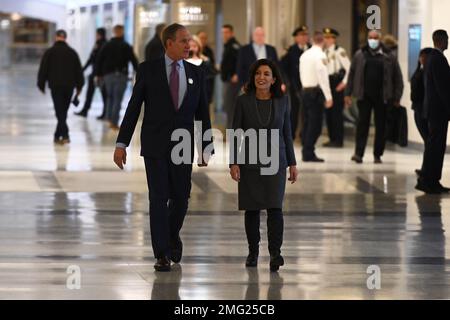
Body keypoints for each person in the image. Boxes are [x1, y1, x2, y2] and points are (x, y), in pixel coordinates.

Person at [113, 23, 214, 272]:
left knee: (181, 198)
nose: (189, 45)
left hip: (183, 144)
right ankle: (161, 253)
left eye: (189, 41)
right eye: (183, 41)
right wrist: (121, 143)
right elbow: (134, 107)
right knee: (158, 198)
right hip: (155, 144)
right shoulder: (148, 70)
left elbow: (202, 112)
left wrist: (205, 146)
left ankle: (171, 236)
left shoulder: (196, 72)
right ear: (168, 43)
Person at [229, 59, 298, 272]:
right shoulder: (243, 101)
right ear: (253, 77)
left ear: (274, 79)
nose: (262, 77)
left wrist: (292, 163)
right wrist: (233, 162)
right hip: (250, 161)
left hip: (276, 162)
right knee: (252, 208)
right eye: (258, 73)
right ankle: (253, 252)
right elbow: (236, 133)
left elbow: (287, 134)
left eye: (266, 74)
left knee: (275, 207)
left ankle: (276, 253)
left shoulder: (283, 101)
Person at [345, 30, 403, 164]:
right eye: (370, 37)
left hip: (383, 97)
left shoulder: (389, 55)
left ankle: (378, 154)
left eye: (375, 38)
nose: (372, 40)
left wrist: (397, 97)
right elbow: (352, 74)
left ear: (380, 39)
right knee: (362, 125)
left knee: (381, 126)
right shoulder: (360, 54)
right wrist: (347, 93)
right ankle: (358, 154)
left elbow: (397, 77)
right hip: (364, 96)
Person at [416, 30, 450, 194]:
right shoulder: (439, 60)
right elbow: (443, 88)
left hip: (432, 110)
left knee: (433, 146)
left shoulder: (431, 59)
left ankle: (427, 179)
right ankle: (430, 180)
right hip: (438, 112)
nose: (448, 43)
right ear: (442, 41)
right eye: (447, 40)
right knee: (436, 147)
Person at [37, 29, 84, 144]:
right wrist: (79, 86)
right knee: (63, 111)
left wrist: (41, 84)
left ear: (56, 37)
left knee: (59, 110)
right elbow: (78, 70)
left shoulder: (50, 52)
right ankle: (60, 135)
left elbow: (43, 69)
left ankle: (62, 135)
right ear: (65, 38)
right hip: (69, 86)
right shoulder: (72, 52)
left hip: (55, 85)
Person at [95, 25, 138, 130]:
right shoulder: (126, 46)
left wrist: (98, 74)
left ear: (114, 32)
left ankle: (109, 118)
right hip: (121, 75)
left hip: (108, 75)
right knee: (117, 99)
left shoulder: (107, 45)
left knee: (109, 97)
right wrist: (140, 72)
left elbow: (99, 60)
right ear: (122, 32)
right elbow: (133, 60)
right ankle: (114, 122)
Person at [299, 31, 333, 162]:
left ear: (313, 40)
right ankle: (308, 152)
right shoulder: (320, 55)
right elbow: (323, 77)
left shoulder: (304, 55)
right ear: (323, 41)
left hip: (305, 91)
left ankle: (306, 151)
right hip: (315, 93)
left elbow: (301, 73)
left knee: (307, 123)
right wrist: (329, 96)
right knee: (315, 125)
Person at [281, 26, 311, 140]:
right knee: (294, 111)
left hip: (309, 85)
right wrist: (286, 82)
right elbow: (284, 68)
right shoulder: (291, 51)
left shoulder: (311, 49)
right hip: (295, 85)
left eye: (305, 35)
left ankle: (305, 135)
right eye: (301, 35)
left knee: (307, 112)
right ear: (296, 38)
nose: (304, 38)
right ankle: (291, 134)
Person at [323, 28, 351, 148]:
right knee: (328, 112)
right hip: (327, 82)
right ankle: (332, 138)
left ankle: (338, 139)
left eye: (330, 38)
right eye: (326, 37)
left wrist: (344, 83)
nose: (328, 40)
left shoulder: (340, 51)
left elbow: (349, 69)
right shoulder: (323, 52)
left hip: (336, 82)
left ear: (334, 39)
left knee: (336, 113)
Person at [75, 27, 107, 119]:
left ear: (99, 34)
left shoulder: (99, 44)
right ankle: (104, 113)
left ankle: (86, 111)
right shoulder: (106, 44)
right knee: (103, 94)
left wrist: (83, 69)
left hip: (97, 74)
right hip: (102, 73)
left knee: (92, 93)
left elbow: (92, 58)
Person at [220, 24, 241, 129]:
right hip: (226, 79)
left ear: (232, 33)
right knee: (226, 105)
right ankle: (227, 129)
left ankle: (230, 130)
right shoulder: (227, 45)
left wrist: (236, 74)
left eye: (226, 32)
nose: (224, 35)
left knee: (229, 106)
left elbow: (240, 62)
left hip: (231, 81)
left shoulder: (234, 46)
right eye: (223, 32)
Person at [186, 35, 216, 105]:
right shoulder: (182, 61)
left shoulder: (205, 61)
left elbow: (210, 81)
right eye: (190, 46)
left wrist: (208, 97)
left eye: (194, 46)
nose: (192, 48)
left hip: (202, 95)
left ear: (199, 47)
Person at [197, 31, 217, 104]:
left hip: (207, 82)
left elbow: (212, 68)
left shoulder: (209, 51)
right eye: (201, 38)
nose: (203, 40)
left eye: (205, 38)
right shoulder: (191, 51)